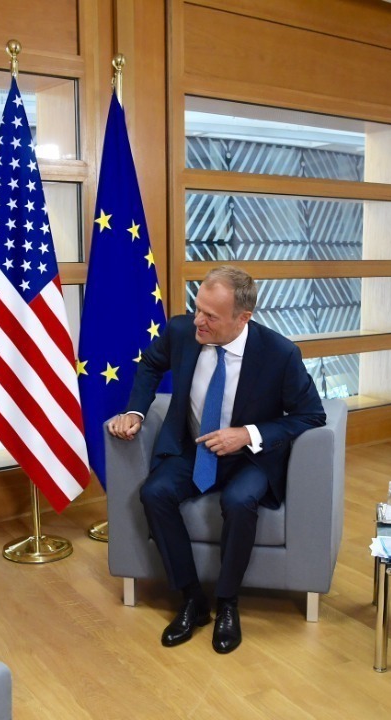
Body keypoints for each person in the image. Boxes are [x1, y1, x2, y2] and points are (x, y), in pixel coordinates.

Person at [106, 265, 325, 654]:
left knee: (239, 502)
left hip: (250, 459)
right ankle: (192, 598)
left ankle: (227, 603)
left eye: (210, 315)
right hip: (194, 448)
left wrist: (249, 434)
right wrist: (136, 412)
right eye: (198, 307)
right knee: (154, 492)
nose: (198, 320)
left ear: (244, 318)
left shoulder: (279, 353)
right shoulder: (181, 333)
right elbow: (151, 365)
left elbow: (311, 415)